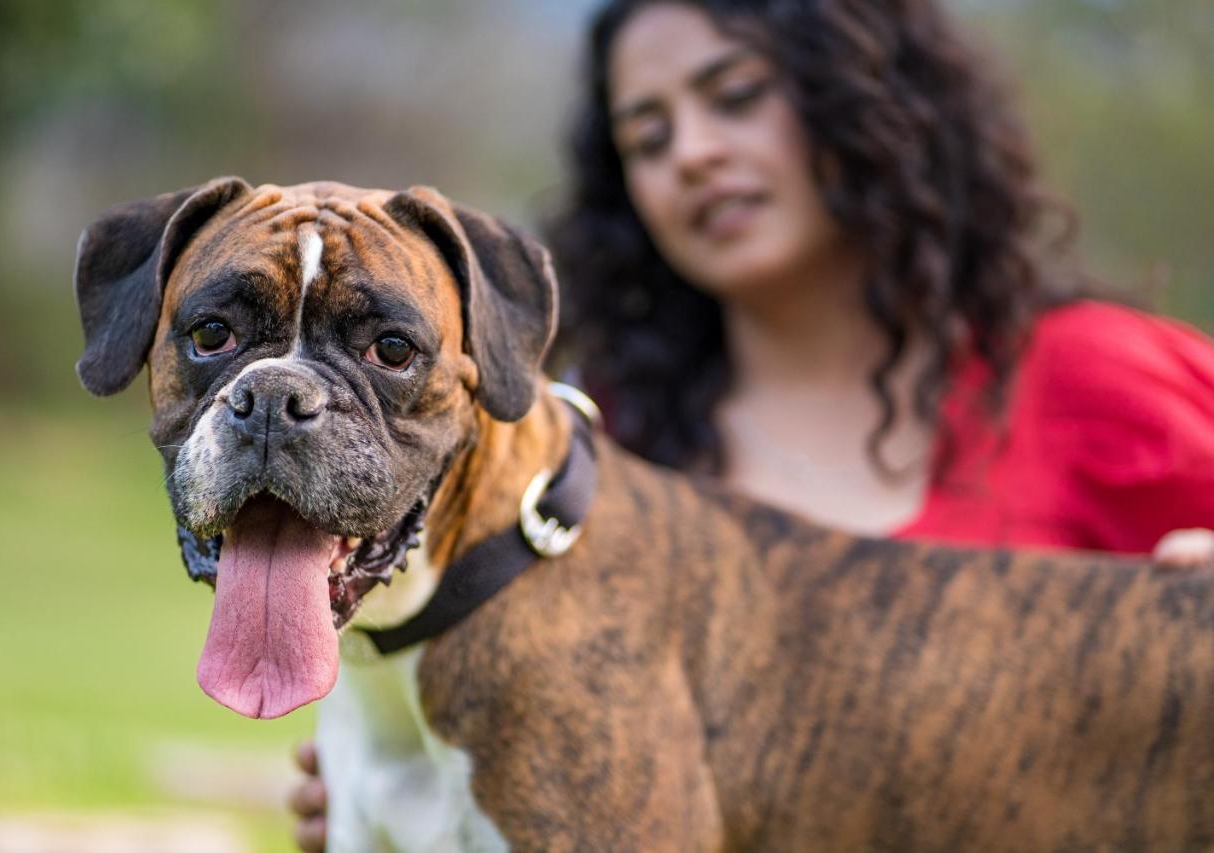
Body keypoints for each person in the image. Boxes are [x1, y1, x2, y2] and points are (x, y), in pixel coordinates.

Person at [290, 0, 1214, 847]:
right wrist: (407, 785)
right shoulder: (592, 457)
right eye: (646, 138)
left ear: (862, 102)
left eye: (734, 97)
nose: (690, 152)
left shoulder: (1106, 381)